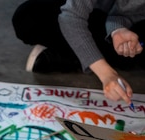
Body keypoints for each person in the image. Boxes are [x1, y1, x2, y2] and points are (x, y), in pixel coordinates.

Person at [12, 0, 145, 105]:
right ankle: (84, 55)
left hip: (125, 25)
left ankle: (83, 54)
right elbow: (72, 16)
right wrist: (107, 74)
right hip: (88, 11)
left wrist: (117, 30)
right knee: (27, 18)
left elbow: (125, 12)